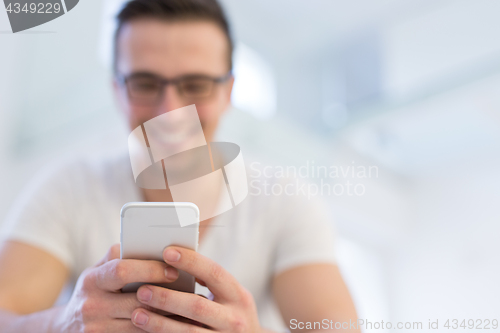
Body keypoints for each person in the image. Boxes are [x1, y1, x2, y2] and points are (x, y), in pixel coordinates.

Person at [0, 0, 359, 332]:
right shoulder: (69, 188)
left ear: (229, 91)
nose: (170, 112)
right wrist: (66, 321)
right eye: (144, 83)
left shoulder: (284, 200)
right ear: (116, 89)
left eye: (196, 84)